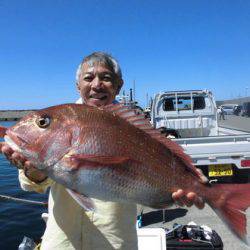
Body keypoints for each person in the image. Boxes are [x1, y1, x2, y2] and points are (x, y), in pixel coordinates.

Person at [0, 52, 206, 250]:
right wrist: (33, 172)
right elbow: (31, 185)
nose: (96, 84)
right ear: (78, 85)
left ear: (118, 85)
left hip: (116, 242)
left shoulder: (133, 126)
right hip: (62, 243)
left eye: (105, 78)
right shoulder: (64, 120)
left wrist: (183, 184)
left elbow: (149, 188)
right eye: (88, 77)